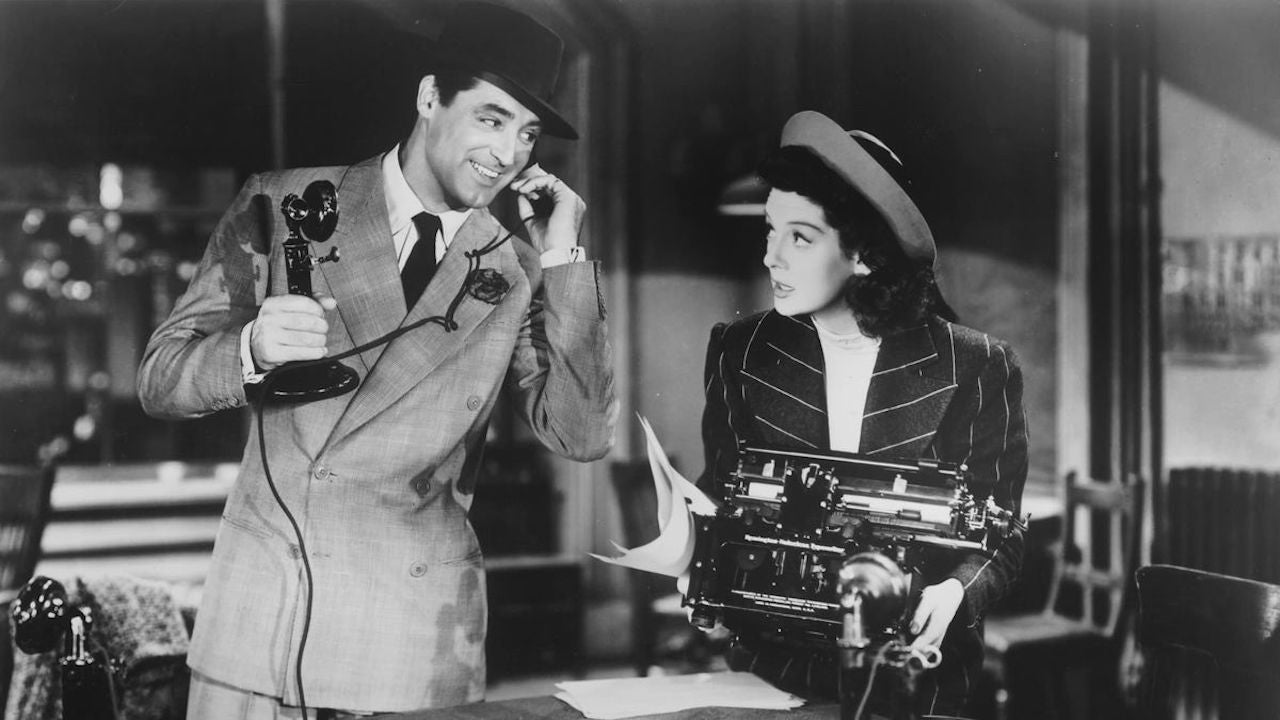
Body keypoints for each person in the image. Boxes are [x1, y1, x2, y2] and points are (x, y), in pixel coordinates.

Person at [136, 3, 616, 717]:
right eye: (491, 118)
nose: (509, 152)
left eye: (528, 133)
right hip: (266, 622)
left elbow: (580, 434)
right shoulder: (284, 203)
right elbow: (160, 379)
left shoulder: (517, 268)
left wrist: (563, 254)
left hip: (409, 638)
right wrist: (251, 350)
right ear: (429, 98)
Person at [697, 111, 1027, 717]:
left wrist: (957, 591)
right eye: (770, 230)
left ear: (865, 256)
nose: (771, 256)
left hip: (917, 683)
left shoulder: (976, 364)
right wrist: (693, 553)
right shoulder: (742, 351)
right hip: (769, 677)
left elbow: (1003, 532)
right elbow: (719, 490)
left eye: (800, 237)